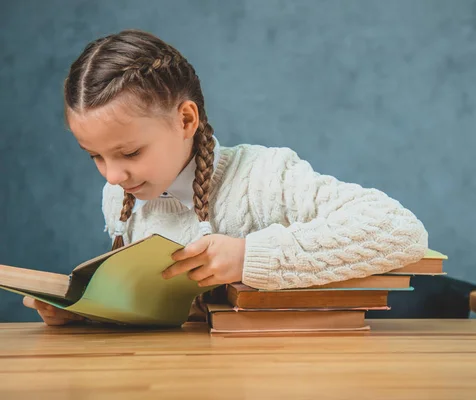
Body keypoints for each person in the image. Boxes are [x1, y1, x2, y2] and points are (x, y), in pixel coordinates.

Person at [22, 29, 428, 326]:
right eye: (95, 156)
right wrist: (84, 313)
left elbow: (400, 231)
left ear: (185, 119)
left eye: (129, 153)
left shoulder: (264, 177)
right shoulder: (120, 199)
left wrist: (248, 256)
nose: (112, 175)